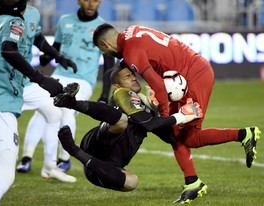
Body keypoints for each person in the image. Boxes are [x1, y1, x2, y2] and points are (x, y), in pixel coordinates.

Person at [92, 23, 261, 203]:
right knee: (178, 136)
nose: (108, 55)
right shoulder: (131, 32)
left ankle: (237, 140)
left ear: (105, 44)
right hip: (182, 76)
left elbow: (157, 84)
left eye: (105, 52)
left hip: (192, 77)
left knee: (187, 137)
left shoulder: (131, 51)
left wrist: (165, 117)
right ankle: (194, 180)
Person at [53, 63, 203, 193]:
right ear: (117, 85)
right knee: (121, 120)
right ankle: (72, 104)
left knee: (132, 182)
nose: (133, 78)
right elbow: (148, 125)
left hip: (105, 169)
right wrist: (181, 116)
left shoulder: (144, 106)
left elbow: (169, 137)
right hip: (97, 144)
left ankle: (74, 149)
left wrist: (157, 112)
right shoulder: (122, 93)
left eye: (132, 75)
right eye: (127, 77)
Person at [0, 0, 63, 205]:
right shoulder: (16, 21)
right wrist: (41, 79)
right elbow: (8, 49)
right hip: (0, 103)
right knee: (3, 176)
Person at [16, 0, 115, 173]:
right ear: (79, 1)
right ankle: (26, 158)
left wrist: (105, 94)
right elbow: (56, 49)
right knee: (42, 110)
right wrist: (47, 57)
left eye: (96, 0)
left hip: (83, 80)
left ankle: (65, 159)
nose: (92, 4)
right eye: (87, 0)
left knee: (67, 109)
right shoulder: (65, 21)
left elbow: (109, 64)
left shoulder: (103, 28)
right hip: (59, 75)